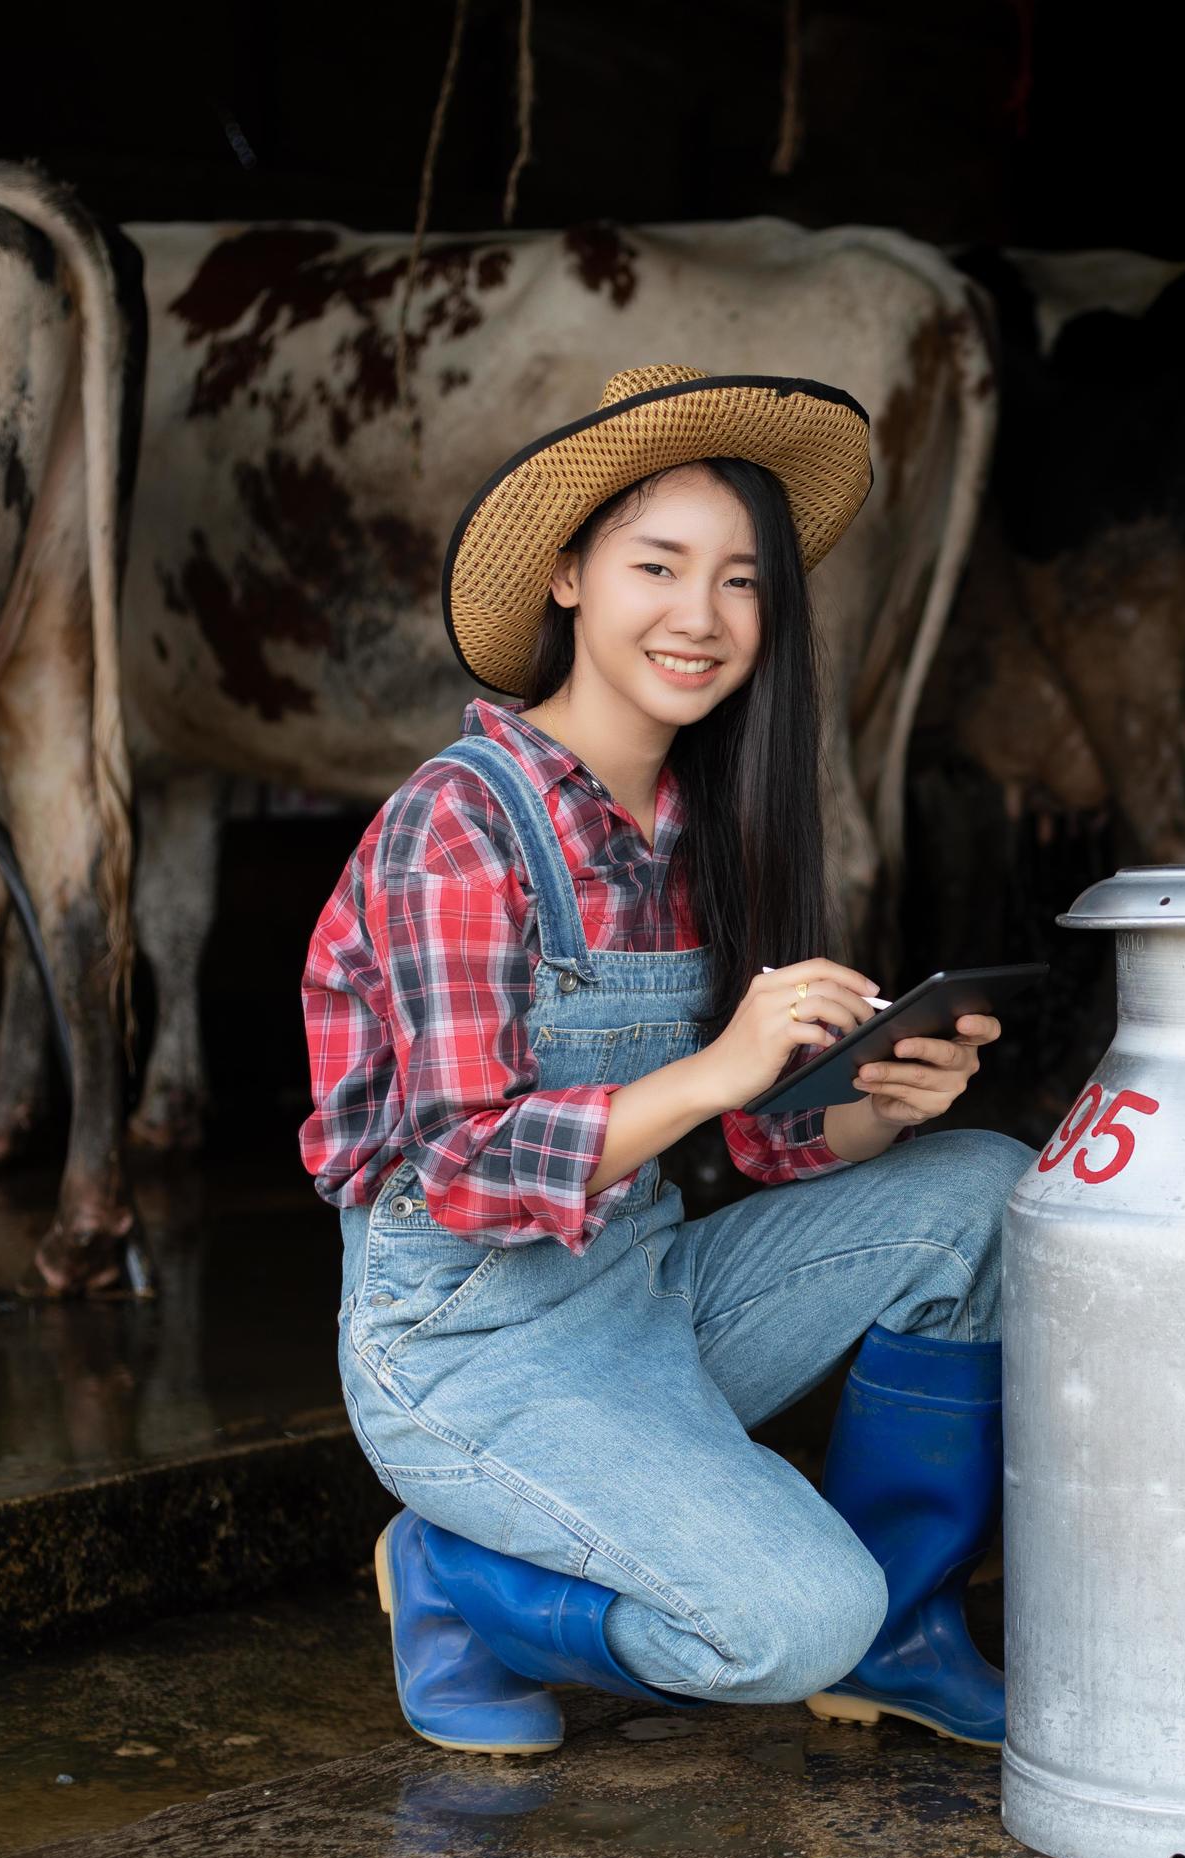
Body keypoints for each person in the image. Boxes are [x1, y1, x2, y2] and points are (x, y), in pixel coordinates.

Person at [299, 365, 1030, 1754]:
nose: (701, 617)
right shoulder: (458, 828)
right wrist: (718, 1066)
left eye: (743, 581)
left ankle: (903, 1632)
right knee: (783, 1622)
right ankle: (457, 1581)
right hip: (462, 1348)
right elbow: (461, 1168)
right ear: (569, 576)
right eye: (657, 565)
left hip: (642, 1300)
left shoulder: (709, 819)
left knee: (985, 1187)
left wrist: (877, 1103)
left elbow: (763, 1145)